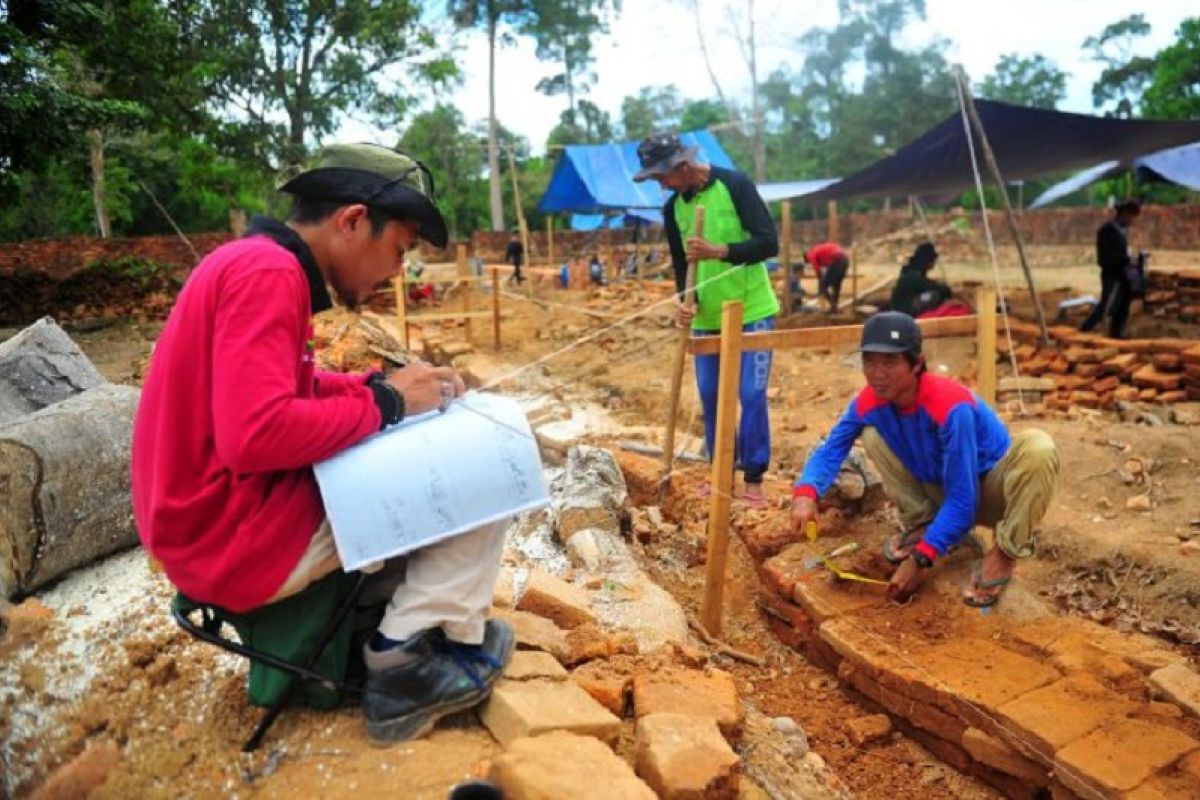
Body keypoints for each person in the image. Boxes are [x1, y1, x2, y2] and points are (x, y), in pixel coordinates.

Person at [131, 143, 514, 745]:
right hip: (228, 536)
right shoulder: (269, 275)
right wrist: (387, 405)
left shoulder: (250, 262)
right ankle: (402, 664)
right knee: (487, 468)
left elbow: (290, 387)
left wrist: (380, 385)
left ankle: (397, 622)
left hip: (203, 522)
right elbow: (254, 435)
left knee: (408, 446)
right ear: (353, 220)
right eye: (399, 250)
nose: (396, 270)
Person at [790, 311, 1060, 606]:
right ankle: (926, 523)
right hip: (941, 488)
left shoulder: (949, 407)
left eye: (890, 362)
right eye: (870, 361)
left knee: (1039, 448)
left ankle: (1005, 552)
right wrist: (806, 492)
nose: (877, 373)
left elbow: (964, 499)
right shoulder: (870, 401)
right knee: (872, 435)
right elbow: (831, 448)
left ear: (916, 364)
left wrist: (921, 559)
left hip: (989, 493)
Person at [634, 132, 779, 508]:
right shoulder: (673, 210)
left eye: (662, 177)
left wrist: (721, 251)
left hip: (752, 310)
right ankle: (720, 472)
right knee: (713, 396)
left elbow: (768, 243)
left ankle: (753, 477)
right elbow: (683, 268)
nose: (661, 185)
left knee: (751, 393)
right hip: (708, 317)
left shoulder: (735, 185)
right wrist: (687, 301)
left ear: (682, 167)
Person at [1080, 200, 1142, 338]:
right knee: (1108, 305)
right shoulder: (1108, 230)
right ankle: (1084, 331)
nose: (1132, 221)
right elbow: (1106, 256)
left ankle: (1116, 335)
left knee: (1122, 306)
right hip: (1111, 274)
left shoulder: (1120, 230)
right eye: (1132, 217)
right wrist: (1125, 259)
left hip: (1122, 273)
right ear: (1125, 214)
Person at [890, 242, 953, 317]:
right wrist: (945, 289)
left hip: (903, 308)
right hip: (905, 311)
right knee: (934, 295)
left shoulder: (910, 271)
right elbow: (932, 287)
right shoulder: (913, 274)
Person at [805, 241, 850, 311]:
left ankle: (833, 306)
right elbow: (827, 268)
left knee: (823, 286)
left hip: (837, 260)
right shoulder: (819, 250)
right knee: (836, 285)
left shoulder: (811, 254)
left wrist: (821, 284)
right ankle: (835, 308)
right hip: (845, 260)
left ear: (807, 258)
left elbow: (817, 269)